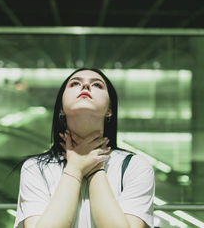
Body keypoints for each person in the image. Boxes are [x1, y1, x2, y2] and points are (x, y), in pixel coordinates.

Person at [13, 68, 154, 228]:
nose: (85, 86)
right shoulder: (35, 168)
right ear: (61, 109)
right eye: (75, 83)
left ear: (109, 110)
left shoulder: (136, 166)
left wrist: (95, 169)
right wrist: (74, 168)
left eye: (97, 85)